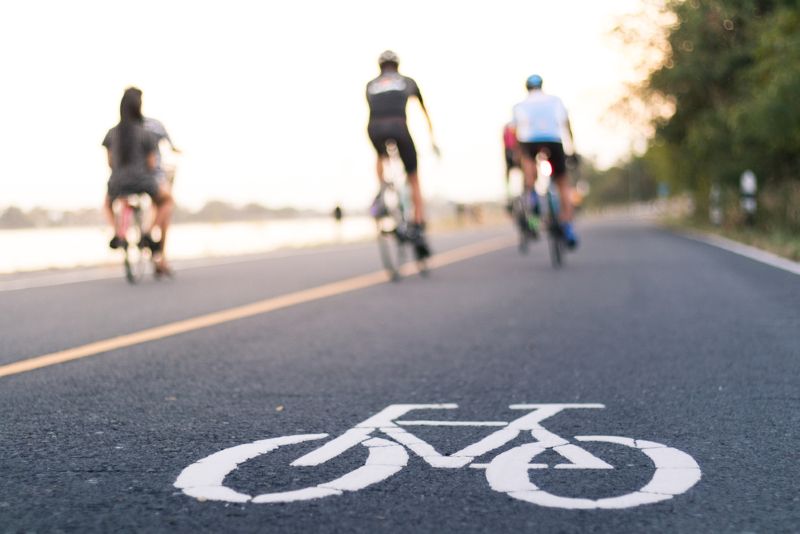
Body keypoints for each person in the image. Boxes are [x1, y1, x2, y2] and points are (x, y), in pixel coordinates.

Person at [366, 50, 438, 258]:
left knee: (380, 155)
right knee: (414, 177)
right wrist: (432, 139)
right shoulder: (407, 81)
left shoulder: (371, 84)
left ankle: (381, 188)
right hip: (399, 126)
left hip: (375, 128)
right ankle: (417, 222)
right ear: (397, 65)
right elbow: (423, 112)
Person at [102, 87, 175, 274]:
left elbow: (110, 162)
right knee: (167, 201)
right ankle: (150, 233)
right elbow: (151, 163)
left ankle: (117, 232)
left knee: (107, 204)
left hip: (117, 182)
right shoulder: (145, 133)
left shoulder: (111, 133)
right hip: (143, 181)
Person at [512, 74, 579, 248]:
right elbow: (566, 124)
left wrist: (517, 154)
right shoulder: (555, 101)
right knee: (563, 183)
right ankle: (568, 228)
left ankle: (533, 207)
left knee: (529, 178)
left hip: (530, 143)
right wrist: (572, 149)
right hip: (553, 141)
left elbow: (516, 129)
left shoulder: (520, 105)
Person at [143, 116, 181, 190]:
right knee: (167, 198)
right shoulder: (155, 125)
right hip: (150, 174)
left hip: (125, 175)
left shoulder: (120, 130)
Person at [502, 121, 520, 212]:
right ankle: (509, 194)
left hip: (514, 153)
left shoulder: (509, 128)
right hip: (511, 153)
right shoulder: (508, 129)